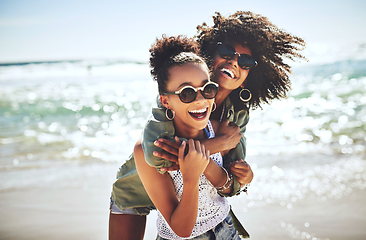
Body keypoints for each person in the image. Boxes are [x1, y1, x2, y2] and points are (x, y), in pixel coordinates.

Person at [109, 11, 305, 240]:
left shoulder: (236, 114)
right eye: (226, 52)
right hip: (135, 193)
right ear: (208, 52)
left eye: (246, 61)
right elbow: (161, 156)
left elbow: (229, 181)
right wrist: (219, 143)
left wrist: (246, 177)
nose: (234, 61)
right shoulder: (176, 98)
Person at [135, 35, 241, 239]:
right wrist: (190, 177)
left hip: (228, 229)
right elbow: (181, 229)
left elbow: (226, 187)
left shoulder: (218, 130)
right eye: (187, 93)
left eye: (207, 89)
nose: (201, 99)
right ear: (165, 101)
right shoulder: (151, 151)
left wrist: (208, 161)